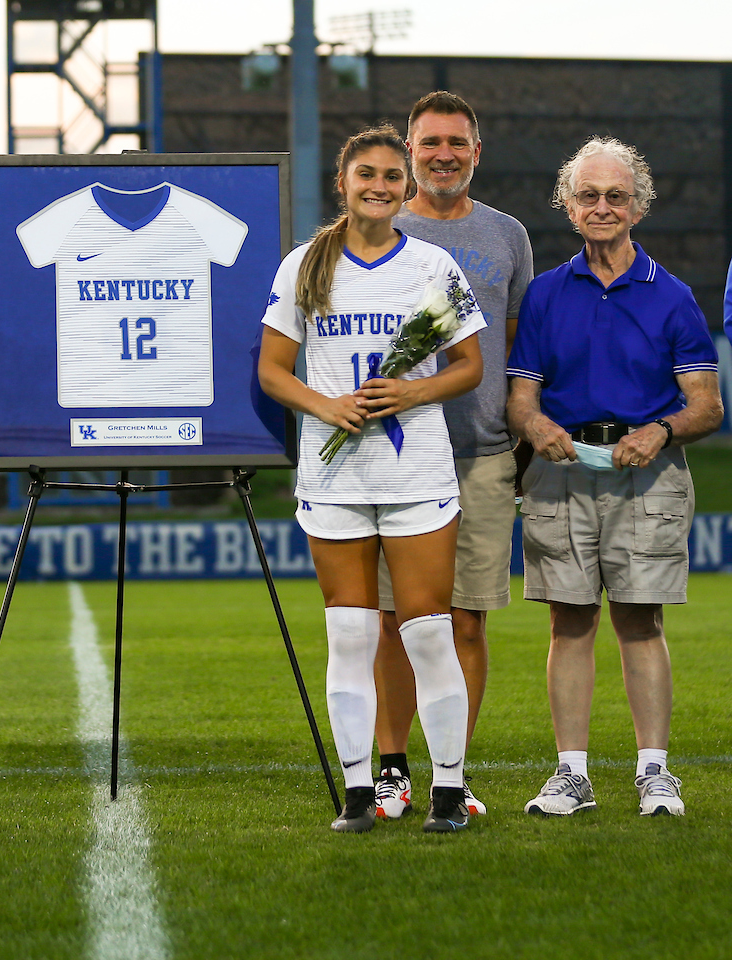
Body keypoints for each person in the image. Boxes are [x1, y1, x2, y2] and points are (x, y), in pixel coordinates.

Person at [259, 125, 486, 834]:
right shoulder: (305, 264)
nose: (380, 186)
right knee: (351, 636)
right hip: (333, 482)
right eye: (368, 175)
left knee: (426, 633)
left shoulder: (433, 264)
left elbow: (469, 365)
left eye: (393, 176)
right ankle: (359, 793)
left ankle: (447, 793)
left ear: (404, 185)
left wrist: (412, 394)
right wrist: (325, 405)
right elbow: (270, 370)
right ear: (343, 182)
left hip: (417, 470)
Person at [508, 137, 723, 817]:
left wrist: (659, 430)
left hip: (648, 474)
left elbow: (706, 405)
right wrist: (536, 428)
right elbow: (520, 397)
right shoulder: (543, 294)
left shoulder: (674, 296)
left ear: (638, 207)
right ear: (569, 207)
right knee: (569, 625)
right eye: (589, 195)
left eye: (616, 196)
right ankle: (571, 774)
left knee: (640, 620)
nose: (603, 207)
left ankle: (654, 771)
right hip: (562, 472)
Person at [372, 91, 534, 820]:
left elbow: (519, 345)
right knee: (391, 621)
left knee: (466, 621)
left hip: (483, 453)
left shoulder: (508, 236)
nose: (443, 155)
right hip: (393, 453)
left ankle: (451, 775)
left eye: (456, 143)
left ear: (477, 152)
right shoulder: (376, 226)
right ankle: (390, 770)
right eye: (430, 142)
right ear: (411, 151)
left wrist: (524, 429)